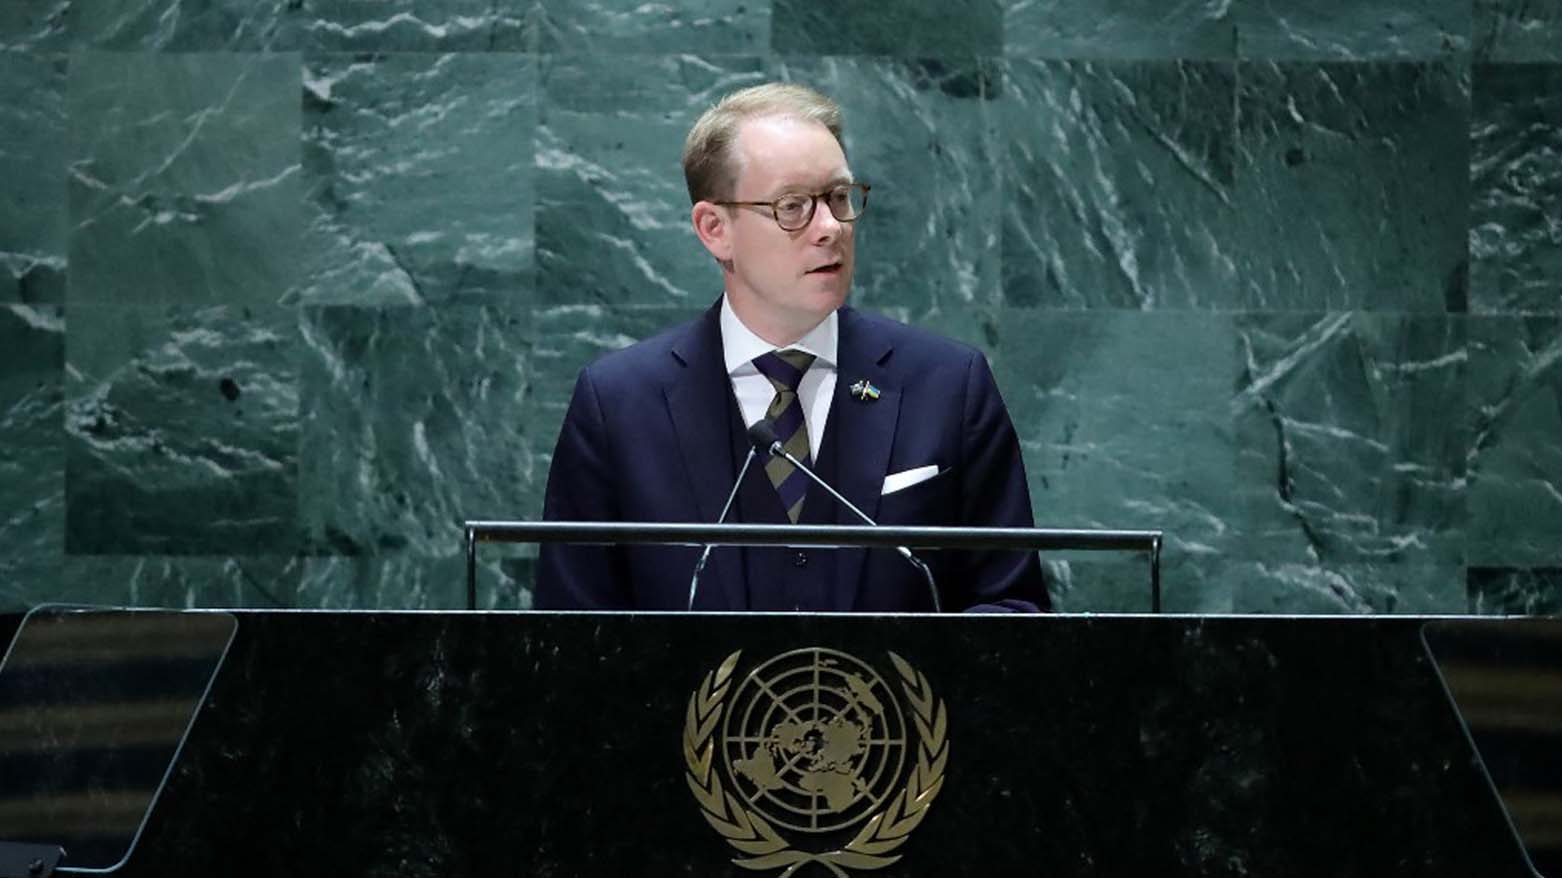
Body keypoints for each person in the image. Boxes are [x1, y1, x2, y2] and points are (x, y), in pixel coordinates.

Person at [535, 82, 1048, 612]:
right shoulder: (619, 404)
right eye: (793, 206)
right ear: (715, 229)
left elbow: (1013, 609)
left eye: (840, 198)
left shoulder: (947, 385)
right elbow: (566, 639)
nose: (830, 228)